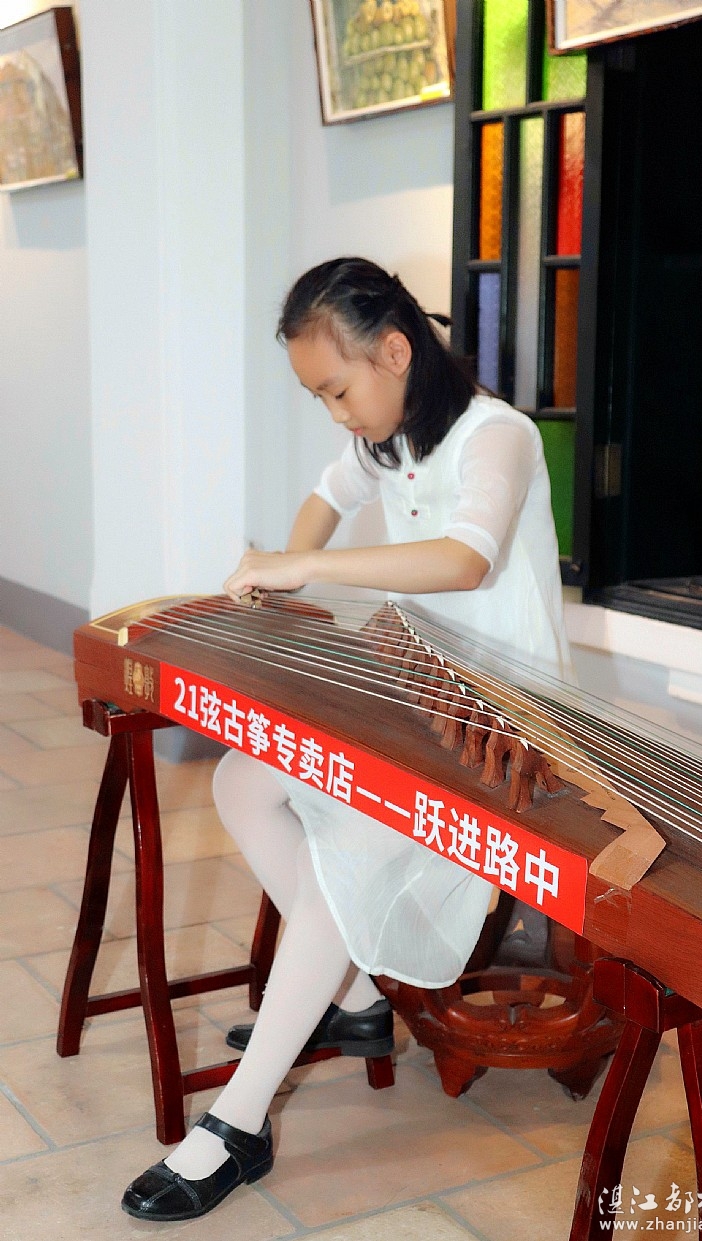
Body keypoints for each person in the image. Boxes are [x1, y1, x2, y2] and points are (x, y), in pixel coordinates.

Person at [121, 256, 574, 1222]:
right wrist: (295, 557)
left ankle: (238, 1124)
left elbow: (466, 558)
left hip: (504, 728)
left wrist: (303, 567)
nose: (336, 413)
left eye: (337, 389)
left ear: (395, 352)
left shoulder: (498, 437)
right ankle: (359, 994)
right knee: (242, 782)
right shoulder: (387, 440)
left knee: (346, 856)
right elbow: (328, 494)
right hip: (423, 688)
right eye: (319, 397)